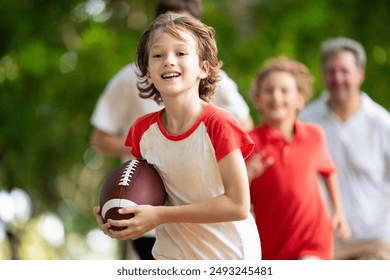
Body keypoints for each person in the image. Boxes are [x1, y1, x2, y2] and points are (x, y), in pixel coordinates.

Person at [90, 0, 254, 259]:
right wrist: (119, 214)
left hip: (227, 255)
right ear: (147, 72)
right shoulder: (143, 131)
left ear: (203, 67)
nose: (168, 61)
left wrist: (160, 215)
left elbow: (238, 205)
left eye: (180, 53)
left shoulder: (219, 125)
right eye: (158, 55)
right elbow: (148, 193)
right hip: (170, 256)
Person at [245, 56, 350, 260]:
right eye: (268, 90)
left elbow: (328, 172)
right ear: (257, 99)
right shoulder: (249, 143)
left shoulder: (314, 135)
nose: (276, 96)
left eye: (285, 91)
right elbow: (234, 192)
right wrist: (247, 174)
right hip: (272, 245)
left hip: (314, 242)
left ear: (300, 99)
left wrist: (338, 211)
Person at [300, 37, 390, 260]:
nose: (338, 78)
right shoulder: (306, 121)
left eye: (345, 71)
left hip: (375, 240)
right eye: (331, 71)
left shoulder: (382, 123)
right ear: (323, 75)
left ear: (360, 74)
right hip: (323, 241)